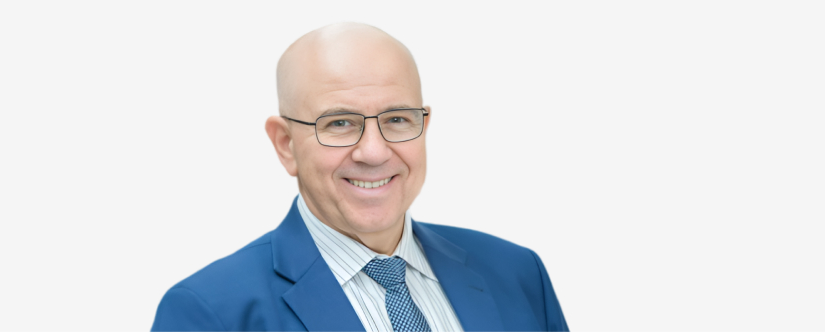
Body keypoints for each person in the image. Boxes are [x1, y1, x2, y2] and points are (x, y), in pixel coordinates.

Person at [151, 22, 568, 331]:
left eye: (398, 118)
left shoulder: (517, 272)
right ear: (285, 144)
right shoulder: (208, 313)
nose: (373, 151)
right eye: (339, 124)